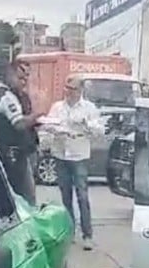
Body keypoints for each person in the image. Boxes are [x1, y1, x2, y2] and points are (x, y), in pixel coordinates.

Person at [44, 76, 104, 250]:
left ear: (80, 91)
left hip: (79, 155)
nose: (69, 92)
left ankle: (87, 234)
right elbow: (48, 125)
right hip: (61, 154)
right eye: (67, 88)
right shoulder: (57, 107)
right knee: (65, 196)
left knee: (82, 196)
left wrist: (87, 124)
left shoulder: (89, 108)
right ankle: (69, 231)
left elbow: (99, 131)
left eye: (73, 89)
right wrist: (58, 129)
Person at [0, 61, 40, 204]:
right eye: (21, 77)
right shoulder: (5, 96)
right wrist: (37, 115)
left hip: (17, 153)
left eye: (27, 77)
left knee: (19, 196)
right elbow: (19, 124)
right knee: (24, 198)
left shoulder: (19, 96)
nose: (24, 81)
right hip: (11, 155)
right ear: (10, 75)